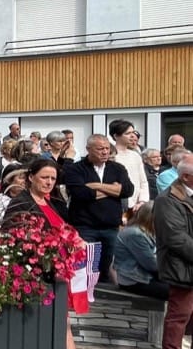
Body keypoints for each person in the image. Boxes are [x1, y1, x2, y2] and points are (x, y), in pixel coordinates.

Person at [5, 158, 111, 349]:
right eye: (44, 177)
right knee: (61, 325)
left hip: (60, 273)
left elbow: (66, 228)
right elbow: (11, 237)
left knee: (63, 323)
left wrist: (74, 240)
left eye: (53, 179)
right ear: (30, 177)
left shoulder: (55, 202)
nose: (49, 183)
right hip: (35, 275)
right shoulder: (20, 203)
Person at [62, 134, 133, 283]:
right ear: (89, 149)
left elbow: (127, 190)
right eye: (100, 149)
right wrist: (113, 190)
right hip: (85, 226)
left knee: (107, 266)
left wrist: (97, 186)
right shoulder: (76, 169)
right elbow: (81, 193)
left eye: (107, 148)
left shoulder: (117, 168)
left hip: (111, 226)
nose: (105, 152)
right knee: (86, 267)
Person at [153, 158, 193, 349]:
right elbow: (175, 238)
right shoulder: (168, 199)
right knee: (180, 314)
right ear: (185, 176)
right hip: (181, 265)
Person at [115, 201, 167, 300]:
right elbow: (152, 265)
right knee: (178, 292)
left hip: (149, 276)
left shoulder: (148, 231)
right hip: (135, 280)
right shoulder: (135, 234)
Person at [110, 119, 149, 209]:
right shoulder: (110, 156)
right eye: (127, 133)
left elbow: (143, 181)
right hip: (118, 204)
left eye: (133, 132)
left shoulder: (135, 155)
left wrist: (142, 201)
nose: (132, 136)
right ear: (116, 136)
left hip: (137, 205)